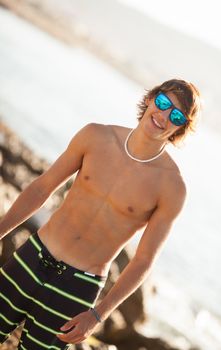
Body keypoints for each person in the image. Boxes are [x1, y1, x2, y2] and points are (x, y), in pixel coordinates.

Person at [0, 78, 201, 349]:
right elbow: (42, 188)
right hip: (32, 257)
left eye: (176, 115)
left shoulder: (172, 187)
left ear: (180, 128)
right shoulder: (96, 136)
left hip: (76, 288)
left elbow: (143, 260)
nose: (163, 115)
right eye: (163, 103)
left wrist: (98, 314)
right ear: (152, 97)